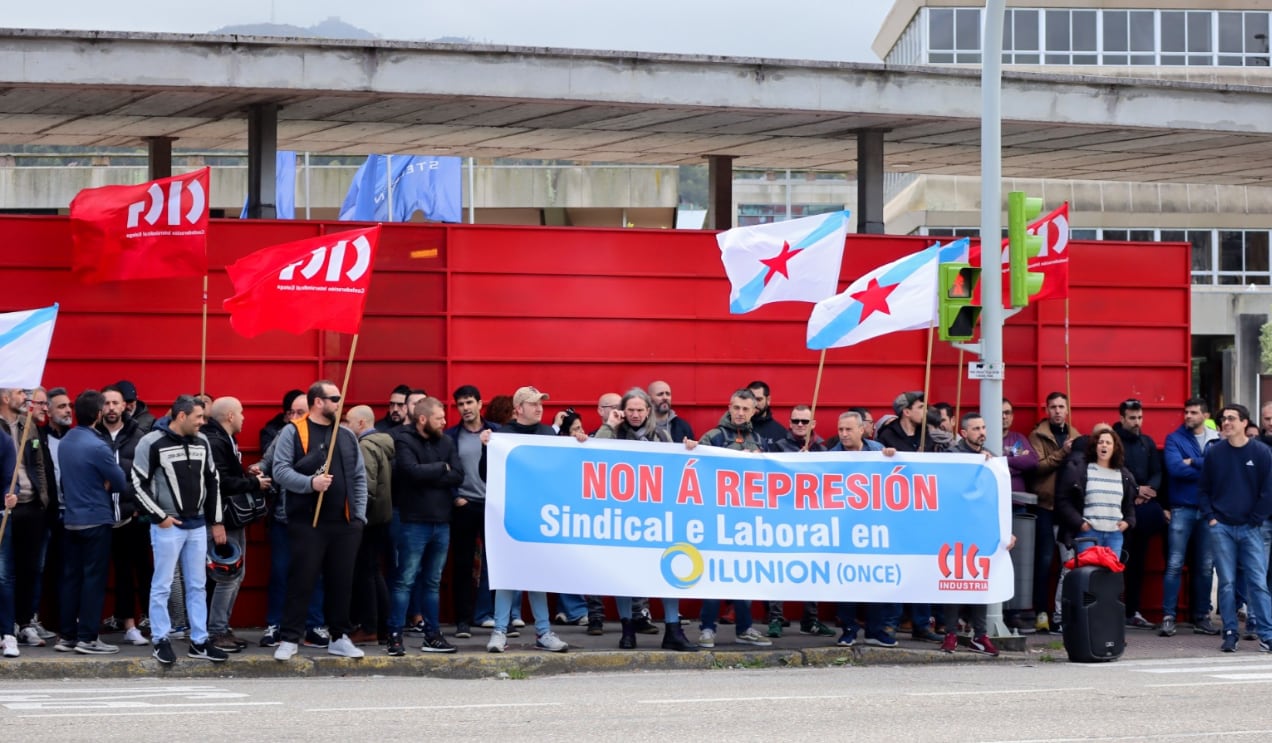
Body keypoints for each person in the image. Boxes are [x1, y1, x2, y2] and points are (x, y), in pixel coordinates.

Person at [270, 380, 369, 662]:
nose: (339, 403)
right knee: (301, 580)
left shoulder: (347, 436)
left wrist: (359, 517)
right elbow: (279, 471)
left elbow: (359, 477)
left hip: (345, 522)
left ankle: (339, 636)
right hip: (306, 521)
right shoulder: (293, 432)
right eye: (334, 398)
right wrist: (310, 483)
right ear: (318, 402)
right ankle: (290, 638)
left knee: (342, 582)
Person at [594, 388, 696, 651]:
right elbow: (594, 453)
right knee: (624, 574)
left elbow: (675, 467)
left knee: (668, 568)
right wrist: (609, 424)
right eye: (630, 410)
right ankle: (628, 630)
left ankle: (672, 630)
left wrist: (688, 449)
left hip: (656, 516)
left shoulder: (661, 436)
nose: (635, 415)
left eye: (640, 410)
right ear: (622, 411)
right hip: (622, 515)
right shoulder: (614, 433)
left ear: (648, 411)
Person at [132, 394, 228, 665]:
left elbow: (213, 481)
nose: (203, 421)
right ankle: (160, 639)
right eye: (198, 417)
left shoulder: (203, 441)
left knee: (198, 585)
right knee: (162, 584)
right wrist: (160, 516)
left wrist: (216, 520)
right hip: (168, 526)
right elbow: (137, 482)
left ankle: (199, 641)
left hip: (197, 525)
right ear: (181, 416)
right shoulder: (151, 442)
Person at [487, 386, 574, 654]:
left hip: (541, 514)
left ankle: (544, 632)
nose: (539, 408)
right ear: (518, 409)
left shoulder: (548, 433)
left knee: (538, 574)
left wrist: (580, 444)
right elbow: (485, 473)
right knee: (507, 574)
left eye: (541, 404)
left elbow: (563, 467)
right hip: (510, 513)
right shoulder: (503, 435)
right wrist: (486, 448)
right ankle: (500, 631)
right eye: (533, 403)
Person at [685, 389, 771, 648]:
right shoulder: (713, 437)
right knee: (714, 576)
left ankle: (744, 628)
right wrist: (690, 449)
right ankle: (707, 628)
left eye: (746, 409)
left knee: (743, 575)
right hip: (716, 519)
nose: (740, 413)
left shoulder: (758, 439)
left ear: (754, 411)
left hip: (747, 520)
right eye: (736, 408)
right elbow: (696, 470)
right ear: (729, 407)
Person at [387, 396, 463, 656]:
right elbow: (410, 472)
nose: (444, 422)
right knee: (405, 580)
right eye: (439, 418)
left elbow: (459, 474)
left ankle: (433, 635)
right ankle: (395, 635)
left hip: (442, 522)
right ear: (423, 419)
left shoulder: (447, 441)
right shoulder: (403, 439)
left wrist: (429, 473)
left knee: (432, 582)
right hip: (414, 522)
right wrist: (441, 468)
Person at [56, 390, 128, 656]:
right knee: (93, 580)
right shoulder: (98, 445)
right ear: (98, 415)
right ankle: (87, 637)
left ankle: (67, 635)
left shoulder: (66, 441)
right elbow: (120, 482)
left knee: (71, 578)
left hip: (71, 518)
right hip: (96, 518)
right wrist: (105, 483)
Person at [202, 396, 271, 653]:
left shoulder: (224, 439)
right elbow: (219, 483)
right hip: (223, 519)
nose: (244, 417)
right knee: (227, 574)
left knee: (236, 573)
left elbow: (227, 476)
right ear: (230, 416)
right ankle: (217, 630)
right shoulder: (216, 441)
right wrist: (254, 484)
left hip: (230, 517)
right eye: (241, 412)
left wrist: (246, 474)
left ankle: (222, 627)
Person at [1201, 404, 1272, 653]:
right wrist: (1211, 517)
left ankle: (1267, 634)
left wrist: (1255, 519)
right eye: (1223, 419)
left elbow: (1268, 490)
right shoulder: (1214, 453)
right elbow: (1204, 489)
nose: (1226, 422)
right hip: (1221, 527)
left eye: (1231, 418)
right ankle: (1230, 632)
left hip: (1251, 527)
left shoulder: (1262, 453)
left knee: (1258, 582)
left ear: (1244, 422)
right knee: (1228, 583)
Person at [940, 413, 1002, 656]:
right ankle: (951, 633)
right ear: (964, 433)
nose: (982, 432)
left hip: (980, 529)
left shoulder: (991, 460)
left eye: (983, 427)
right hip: (955, 528)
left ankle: (980, 635)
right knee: (953, 582)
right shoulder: (951, 456)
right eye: (976, 428)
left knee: (979, 582)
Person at [1159, 396, 1221, 638]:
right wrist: (1206, 468)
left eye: (1193, 412)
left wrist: (1194, 461)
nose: (1188, 416)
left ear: (1205, 415)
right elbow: (1175, 469)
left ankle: (1202, 617)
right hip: (1182, 507)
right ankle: (1168, 616)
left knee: (1205, 566)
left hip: (1207, 510)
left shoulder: (1216, 440)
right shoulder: (1174, 438)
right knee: (1174, 563)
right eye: (1186, 412)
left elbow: (1222, 469)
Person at [94, 384, 149, 647]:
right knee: (95, 571)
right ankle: (88, 627)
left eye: (116, 403)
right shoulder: (92, 435)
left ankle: (130, 624)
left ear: (125, 406)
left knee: (128, 572)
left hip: (130, 516)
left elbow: (146, 476)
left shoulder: (138, 435)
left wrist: (137, 503)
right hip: (100, 516)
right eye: (106, 403)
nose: (111, 408)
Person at [444, 385, 498, 639]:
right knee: (463, 564)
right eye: (460, 404)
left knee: (497, 564)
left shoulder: (497, 432)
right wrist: (455, 497)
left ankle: (499, 618)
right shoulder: (451, 436)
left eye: (469, 403)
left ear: (479, 403)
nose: (465, 408)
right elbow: (445, 470)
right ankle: (463, 621)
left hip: (493, 505)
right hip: (465, 506)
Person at [1028, 391, 1081, 633]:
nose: (1057, 411)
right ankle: (1041, 612)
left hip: (1068, 507)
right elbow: (1036, 467)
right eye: (1053, 407)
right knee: (1045, 560)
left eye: (1061, 406)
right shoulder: (1038, 435)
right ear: (1046, 410)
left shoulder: (1076, 435)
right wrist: (1062, 453)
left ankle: (1064, 613)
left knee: (1069, 562)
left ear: (1067, 409)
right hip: (1046, 505)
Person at [0, 388, 49, 649]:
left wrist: (42, 495)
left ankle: (24, 622)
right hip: (6, 507)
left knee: (31, 568)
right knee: (6, 572)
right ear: (6, 398)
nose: (25, 398)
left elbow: (38, 462)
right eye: (20, 393)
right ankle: (6, 627)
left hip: (31, 505)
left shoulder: (27, 424)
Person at [344, 405, 394, 645]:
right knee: (375, 572)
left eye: (350, 422)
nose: (348, 426)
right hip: (382, 518)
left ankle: (370, 627)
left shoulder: (364, 447)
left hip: (369, 520)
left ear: (361, 423)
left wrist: (357, 516)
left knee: (365, 574)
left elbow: (367, 486)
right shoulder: (384, 444)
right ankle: (384, 626)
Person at [1114, 398, 1165, 630]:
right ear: (1122, 418)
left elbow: (1157, 472)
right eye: (1132, 418)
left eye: (1140, 418)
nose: (1137, 422)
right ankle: (1114, 610)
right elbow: (1112, 469)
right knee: (1117, 562)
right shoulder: (1112, 441)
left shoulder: (1147, 442)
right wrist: (1134, 489)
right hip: (1120, 511)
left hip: (1143, 511)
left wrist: (1147, 492)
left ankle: (1133, 611)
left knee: (1138, 564)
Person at [878, 391, 943, 453]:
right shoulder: (888, 436)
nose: (926, 411)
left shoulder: (925, 432)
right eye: (920, 407)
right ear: (907, 412)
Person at [259, 389, 306, 455]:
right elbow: (269, 456)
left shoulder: (310, 427)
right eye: (299, 413)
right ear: (288, 413)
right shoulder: (270, 432)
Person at [747, 380, 786, 447]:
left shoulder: (781, 433)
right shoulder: (736, 428)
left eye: (759, 399)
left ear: (768, 400)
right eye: (751, 399)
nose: (755, 403)